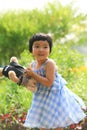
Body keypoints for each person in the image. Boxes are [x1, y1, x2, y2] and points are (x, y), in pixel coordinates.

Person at [23, 33, 86, 130]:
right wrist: (26, 77)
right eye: (37, 46)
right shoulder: (33, 65)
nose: (41, 50)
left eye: (45, 47)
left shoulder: (49, 63)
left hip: (54, 98)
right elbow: (32, 80)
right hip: (40, 97)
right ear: (31, 49)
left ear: (49, 50)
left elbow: (49, 82)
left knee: (56, 125)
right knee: (43, 125)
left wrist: (33, 74)